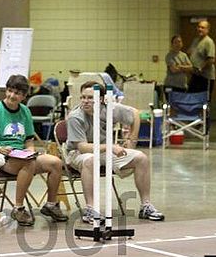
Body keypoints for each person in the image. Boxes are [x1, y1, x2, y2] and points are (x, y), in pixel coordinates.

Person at [66, 81, 164, 222]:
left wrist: (132, 140)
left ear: (100, 99)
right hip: (78, 153)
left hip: (105, 151)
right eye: (83, 97)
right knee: (91, 160)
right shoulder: (76, 116)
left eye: (89, 98)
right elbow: (82, 147)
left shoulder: (109, 109)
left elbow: (135, 114)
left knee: (141, 158)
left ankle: (146, 206)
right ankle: (90, 209)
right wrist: (110, 147)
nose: (85, 101)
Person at [0, 74, 67, 227]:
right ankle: (18, 208)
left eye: (17, 93)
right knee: (29, 164)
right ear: (6, 91)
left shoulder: (25, 111)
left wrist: (30, 151)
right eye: (10, 91)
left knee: (55, 163)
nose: (12, 95)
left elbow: (28, 139)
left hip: (21, 155)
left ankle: (51, 205)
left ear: (24, 96)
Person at [187, 20, 216, 98]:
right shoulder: (195, 40)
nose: (200, 29)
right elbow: (190, 53)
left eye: (202, 28)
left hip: (205, 77)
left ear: (207, 29)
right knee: (191, 96)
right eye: (199, 27)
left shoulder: (208, 42)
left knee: (204, 100)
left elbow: (211, 60)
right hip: (195, 75)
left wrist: (200, 68)